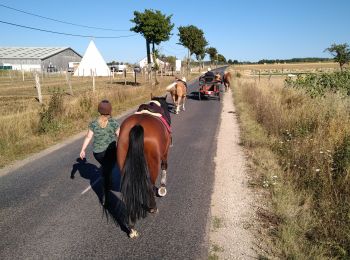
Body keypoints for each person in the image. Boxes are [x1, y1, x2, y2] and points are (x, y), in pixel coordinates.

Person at [79, 100, 120, 192]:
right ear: (110, 111)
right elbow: (120, 136)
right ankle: (107, 181)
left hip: (97, 153)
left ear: (99, 111)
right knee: (110, 166)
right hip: (111, 152)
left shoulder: (93, 123)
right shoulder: (113, 123)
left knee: (105, 165)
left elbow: (88, 137)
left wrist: (83, 150)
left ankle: (106, 175)